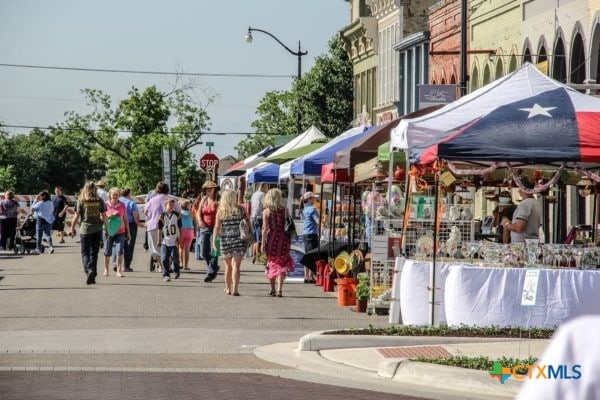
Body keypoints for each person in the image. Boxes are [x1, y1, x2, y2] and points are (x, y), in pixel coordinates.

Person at [69, 182, 107, 285]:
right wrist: (107, 230)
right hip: (98, 229)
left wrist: (72, 229)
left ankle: (88, 270)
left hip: (85, 229)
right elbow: (104, 216)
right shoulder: (100, 200)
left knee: (85, 252)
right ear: (95, 189)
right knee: (94, 253)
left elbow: (76, 217)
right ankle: (93, 274)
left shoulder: (81, 200)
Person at [213, 189, 248, 296]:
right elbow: (247, 223)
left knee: (228, 267)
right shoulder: (242, 209)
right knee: (236, 266)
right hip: (239, 240)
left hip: (225, 241)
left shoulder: (221, 211)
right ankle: (235, 289)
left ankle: (228, 288)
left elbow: (217, 227)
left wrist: (214, 241)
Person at [261, 188, 294, 297]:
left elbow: (265, 229)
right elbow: (288, 224)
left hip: (272, 240)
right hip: (284, 240)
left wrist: (262, 244)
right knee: (282, 264)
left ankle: (273, 289)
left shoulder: (266, 211)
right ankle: (280, 290)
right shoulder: (285, 210)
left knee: (272, 264)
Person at [145, 181, 177, 274]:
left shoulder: (152, 200)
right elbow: (179, 212)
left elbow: (146, 211)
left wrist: (150, 217)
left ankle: (161, 266)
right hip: (169, 226)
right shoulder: (172, 199)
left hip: (153, 225)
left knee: (156, 247)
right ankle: (167, 266)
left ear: (157, 189)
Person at [502, 177, 542, 243]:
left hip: (521, 245)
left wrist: (506, 224)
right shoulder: (536, 203)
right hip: (532, 243)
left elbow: (519, 228)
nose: (518, 191)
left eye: (519, 188)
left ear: (523, 189)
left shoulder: (525, 204)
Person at [103, 188, 130, 277]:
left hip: (120, 231)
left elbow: (125, 219)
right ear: (110, 195)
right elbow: (101, 217)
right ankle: (106, 269)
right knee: (107, 251)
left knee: (120, 250)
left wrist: (128, 232)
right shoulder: (105, 204)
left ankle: (119, 271)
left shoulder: (122, 205)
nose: (115, 196)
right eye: (113, 194)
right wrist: (109, 215)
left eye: (117, 194)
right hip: (109, 231)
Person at [196, 181, 220, 282]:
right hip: (205, 228)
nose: (208, 191)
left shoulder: (219, 199)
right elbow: (198, 213)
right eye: (206, 189)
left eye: (210, 189)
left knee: (214, 251)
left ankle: (210, 274)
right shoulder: (204, 199)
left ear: (215, 189)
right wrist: (200, 221)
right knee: (204, 253)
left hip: (216, 227)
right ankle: (213, 267)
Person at [158, 198, 181, 282]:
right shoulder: (162, 216)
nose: (171, 207)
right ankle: (166, 275)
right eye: (169, 205)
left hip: (174, 240)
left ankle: (176, 270)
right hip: (165, 241)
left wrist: (180, 238)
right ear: (165, 205)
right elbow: (159, 228)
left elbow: (180, 227)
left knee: (175, 258)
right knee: (164, 258)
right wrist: (159, 239)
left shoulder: (177, 215)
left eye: (172, 205)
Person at [119, 187, 141, 272]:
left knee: (119, 243)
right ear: (129, 193)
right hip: (130, 224)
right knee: (130, 245)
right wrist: (139, 223)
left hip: (119, 223)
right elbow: (135, 215)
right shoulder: (131, 203)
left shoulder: (118, 200)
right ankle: (126, 265)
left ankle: (116, 263)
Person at [301, 191, 320, 283]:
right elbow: (317, 221)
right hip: (312, 234)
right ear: (309, 199)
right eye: (313, 197)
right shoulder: (312, 209)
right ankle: (310, 276)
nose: (315, 199)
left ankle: (306, 276)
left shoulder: (304, 209)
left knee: (307, 254)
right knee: (312, 255)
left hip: (305, 234)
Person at [250, 182, 268, 264]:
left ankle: (253, 258)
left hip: (253, 217)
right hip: (260, 217)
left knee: (255, 239)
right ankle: (258, 259)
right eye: (266, 187)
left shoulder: (254, 194)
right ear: (263, 187)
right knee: (259, 239)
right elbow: (265, 205)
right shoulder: (262, 195)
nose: (267, 189)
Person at [178, 198, 195, 271]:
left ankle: (181, 263)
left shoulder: (180, 213)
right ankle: (186, 266)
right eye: (190, 205)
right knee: (187, 249)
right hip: (190, 231)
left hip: (181, 230)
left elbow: (177, 222)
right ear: (188, 206)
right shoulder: (191, 213)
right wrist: (196, 231)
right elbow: (195, 223)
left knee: (181, 248)